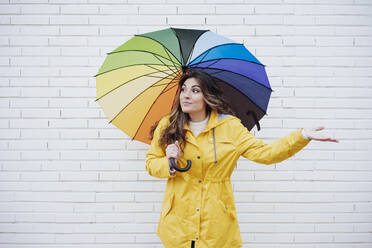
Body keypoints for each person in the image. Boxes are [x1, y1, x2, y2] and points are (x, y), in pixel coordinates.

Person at [145, 70, 339, 248]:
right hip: (178, 224)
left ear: (207, 96)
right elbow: (152, 163)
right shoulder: (168, 126)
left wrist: (302, 135)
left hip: (216, 226)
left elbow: (266, 153)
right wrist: (168, 162)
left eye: (195, 90)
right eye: (184, 90)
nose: (186, 95)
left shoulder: (230, 127)